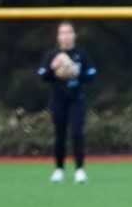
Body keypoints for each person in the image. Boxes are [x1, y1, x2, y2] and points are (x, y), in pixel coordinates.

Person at [37, 21, 97, 183]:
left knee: (77, 133)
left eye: (68, 32)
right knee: (60, 135)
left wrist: (77, 73)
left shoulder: (81, 54)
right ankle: (59, 170)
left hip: (76, 99)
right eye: (62, 33)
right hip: (58, 100)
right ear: (58, 36)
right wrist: (53, 68)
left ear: (74, 35)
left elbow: (92, 74)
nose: (65, 36)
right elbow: (42, 75)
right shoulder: (52, 55)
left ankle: (79, 170)